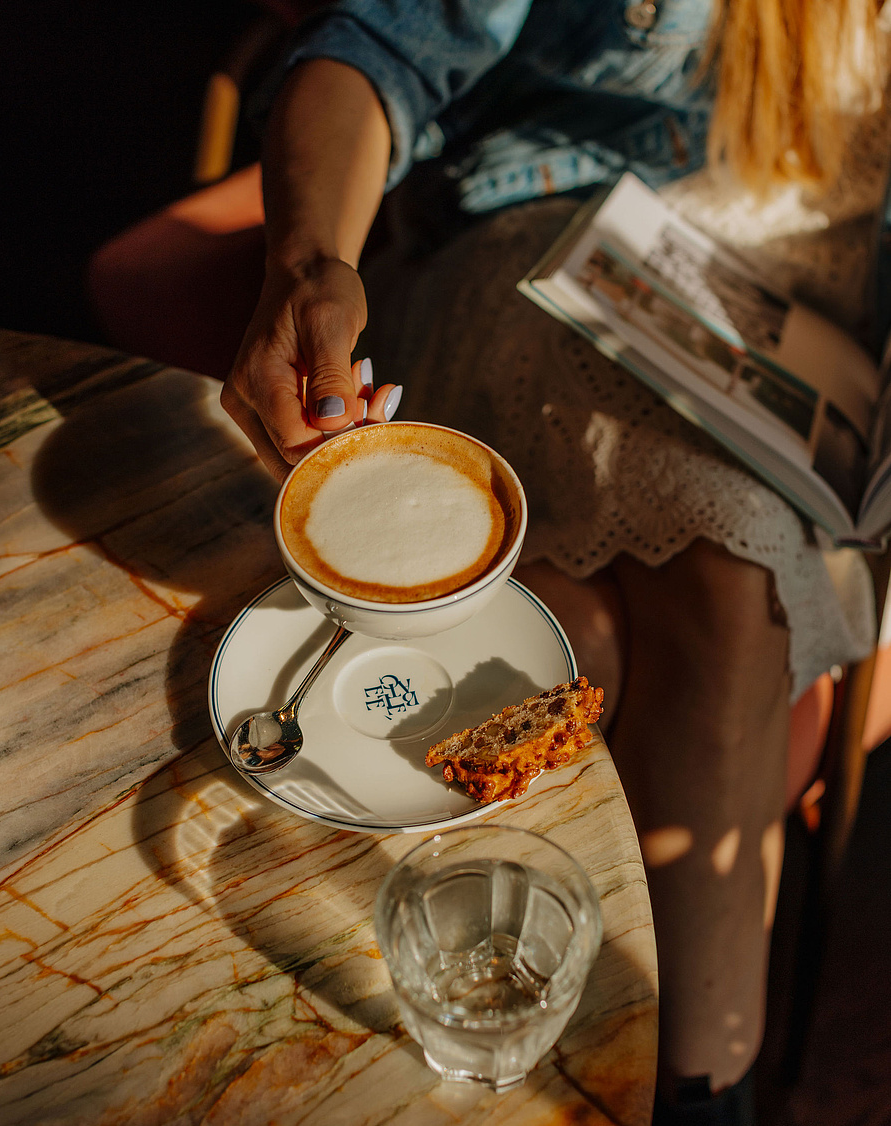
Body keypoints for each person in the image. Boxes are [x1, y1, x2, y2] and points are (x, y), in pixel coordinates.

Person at [89, 2, 889, 1121]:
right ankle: (703, 1096)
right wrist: (311, 258)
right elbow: (383, 48)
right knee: (725, 575)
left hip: (823, 297)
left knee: (606, 638)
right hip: (559, 240)